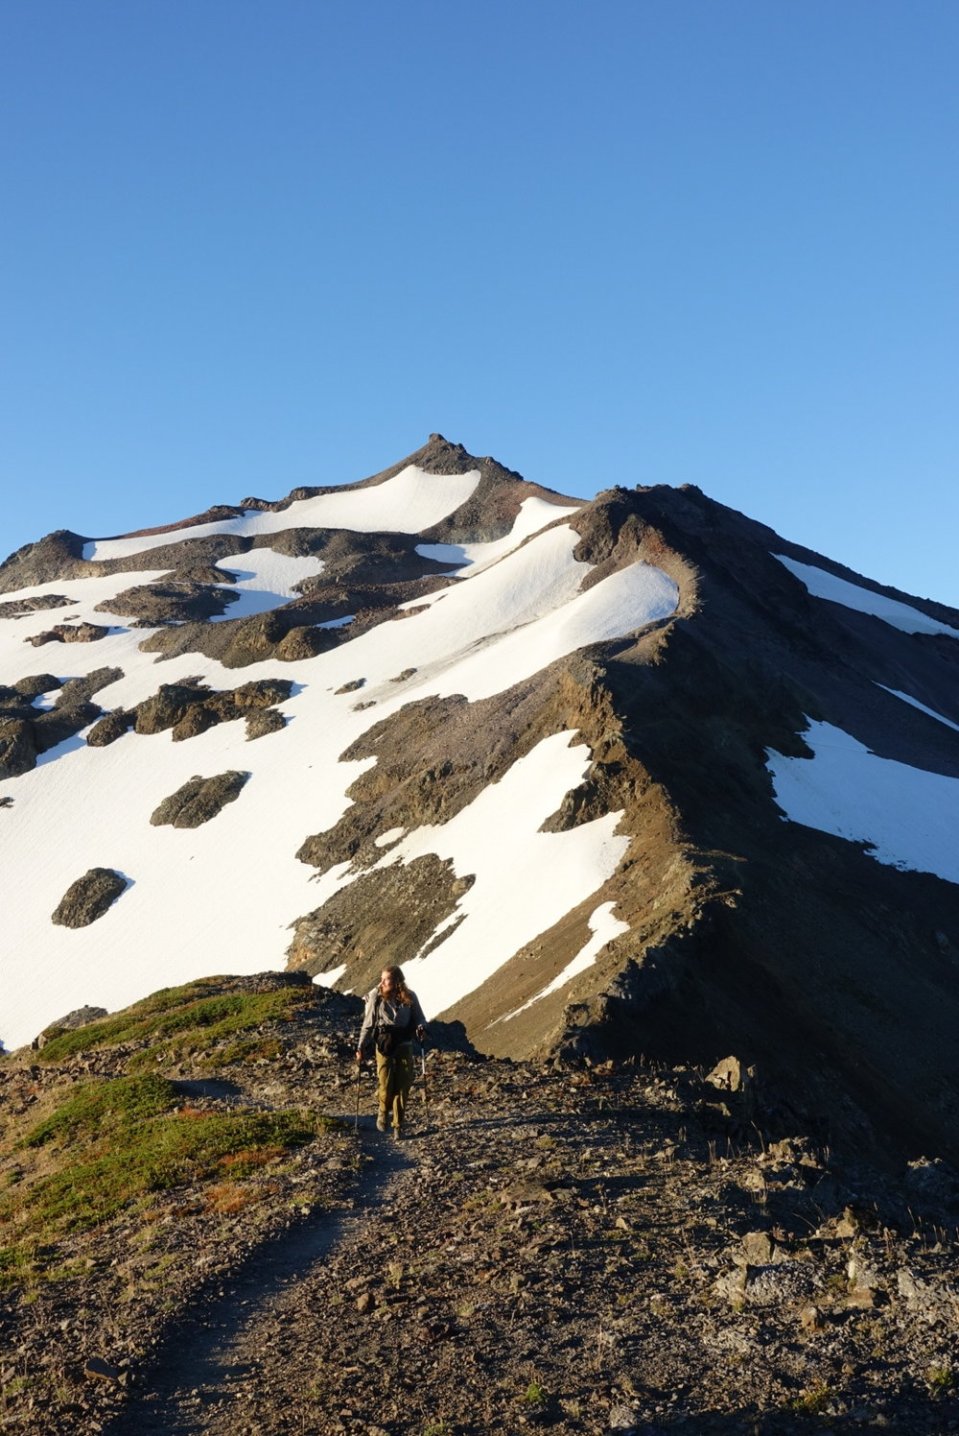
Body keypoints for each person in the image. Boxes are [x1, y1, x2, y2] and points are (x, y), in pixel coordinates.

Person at [355, 965, 428, 1137]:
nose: (382, 982)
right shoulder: (376, 997)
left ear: (396, 981)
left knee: (403, 1085)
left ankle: (398, 1124)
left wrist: (422, 1027)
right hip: (384, 1044)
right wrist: (360, 1046)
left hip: (404, 1043)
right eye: (382, 979)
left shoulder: (410, 997)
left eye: (386, 979)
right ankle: (382, 1110)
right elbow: (368, 1023)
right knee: (386, 1085)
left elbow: (420, 1017)